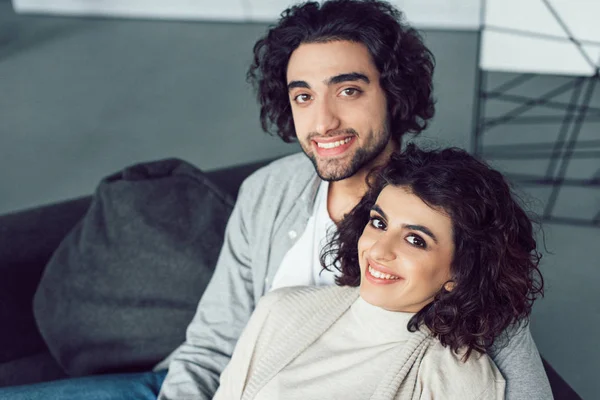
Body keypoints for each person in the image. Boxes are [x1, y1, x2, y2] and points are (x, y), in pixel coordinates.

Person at [0, 1, 552, 399]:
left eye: (349, 90)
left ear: (396, 93)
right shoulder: (270, 192)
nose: (324, 120)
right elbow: (213, 345)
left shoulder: (456, 224)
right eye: (303, 96)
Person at [212, 144, 544, 399]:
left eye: (416, 240)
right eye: (379, 222)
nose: (379, 250)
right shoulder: (280, 310)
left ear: (461, 270)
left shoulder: (459, 382)